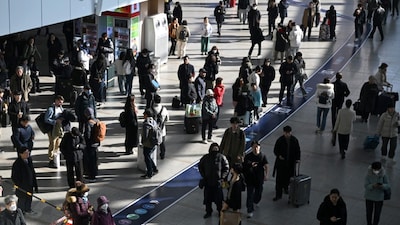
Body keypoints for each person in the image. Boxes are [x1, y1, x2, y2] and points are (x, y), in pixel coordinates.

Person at [198, 143, 229, 219]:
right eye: (214, 149)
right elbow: (200, 166)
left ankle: (219, 211)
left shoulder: (222, 157)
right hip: (208, 182)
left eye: (216, 149)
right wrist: (204, 175)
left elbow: (226, 168)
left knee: (219, 199)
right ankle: (208, 212)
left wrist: (222, 177)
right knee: (207, 199)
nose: (215, 150)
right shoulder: (206, 157)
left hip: (217, 183)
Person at [272, 125, 301, 201]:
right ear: (284, 132)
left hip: (291, 164)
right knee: (279, 179)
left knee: (289, 178)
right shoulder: (280, 140)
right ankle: (278, 194)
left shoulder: (294, 140)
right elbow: (275, 150)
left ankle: (286, 188)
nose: (287, 134)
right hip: (281, 164)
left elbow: (298, 150)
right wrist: (279, 156)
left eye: (289, 133)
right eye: (286, 133)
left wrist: (298, 159)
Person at [243, 140, 268, 218]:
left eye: (257, 146)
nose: (255, 148)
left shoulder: (262, 156)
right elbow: (244, 167)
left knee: (259, 192)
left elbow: (266, 165)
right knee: (250, 194)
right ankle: (249, 210)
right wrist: (250, 165)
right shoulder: (248, 157)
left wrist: (266, 175)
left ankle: (256, 201)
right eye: (254, 147)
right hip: (250, 179)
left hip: (259, 178)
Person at [11, 147, 38, 214]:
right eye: (26, 153)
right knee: (22, 199)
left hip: (29, 184)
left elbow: (32, 172)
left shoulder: (29, 160)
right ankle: (20, 212)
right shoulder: (17, 164)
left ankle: (28, 209)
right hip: (22, 186)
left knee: (29, 198)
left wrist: (35, 184)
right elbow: (14, 177)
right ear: (21, 154)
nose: (28, 154)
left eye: (28, 152)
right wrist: (19, 185)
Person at [44, 95, 65, 168]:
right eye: (59, 101)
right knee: (52, 144)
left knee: (58, 144)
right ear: (56, 101)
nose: (60, 103)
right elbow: (46, 119)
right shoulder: (51, 109)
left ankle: (56, 159)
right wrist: (55, 122)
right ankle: (51, 159)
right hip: (52, 129)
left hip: (59, 129)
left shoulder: (61, 109)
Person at [83, 107, 99, 182]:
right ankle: (95, 173)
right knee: (94, 159)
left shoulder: (88, 123)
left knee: (90, 160)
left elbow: (87, 135)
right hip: (96, 143)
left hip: (90, 144)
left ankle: (91, 176)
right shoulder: (96, 120)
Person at [152, 94, 169, 160]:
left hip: (153, 129)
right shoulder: (164, 109)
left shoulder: (151, 109)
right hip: (162, 129)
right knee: (162, 143)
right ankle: (162, 154)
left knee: (153, 143)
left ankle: (153, 155)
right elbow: (167, 119)